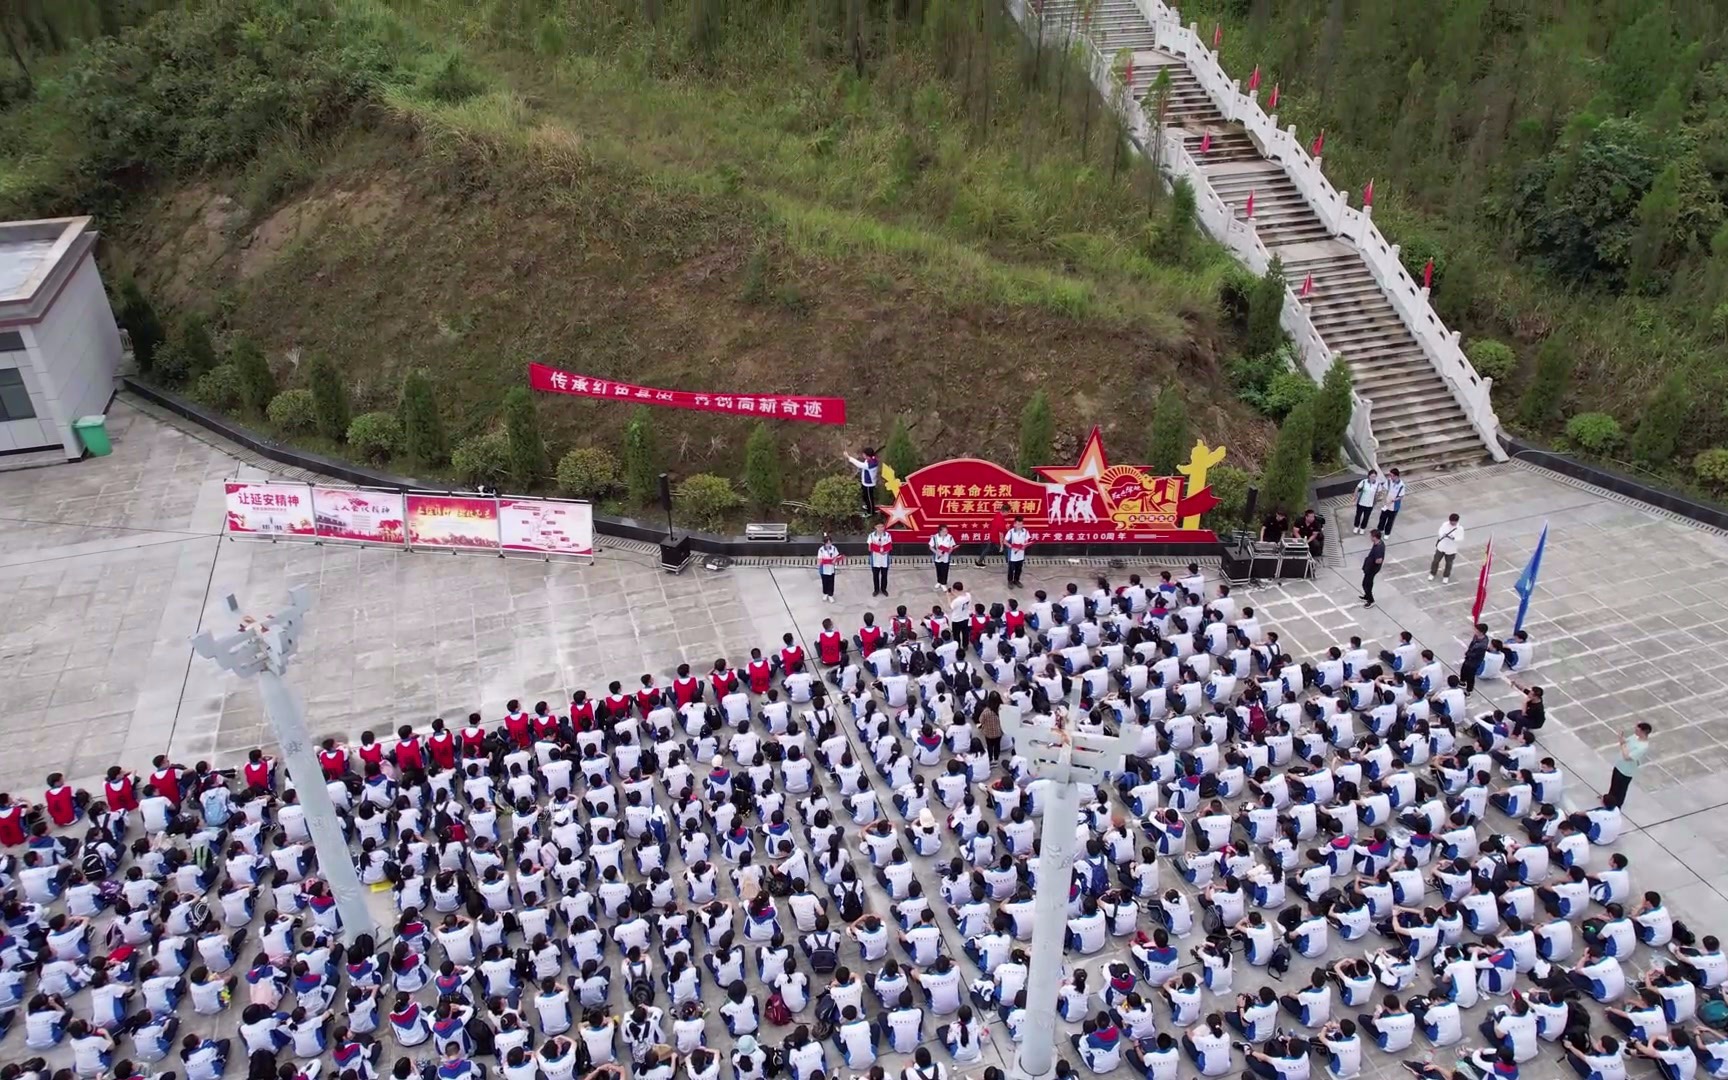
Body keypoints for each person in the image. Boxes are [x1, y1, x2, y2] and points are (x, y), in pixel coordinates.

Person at [1606, 723, 1652, 809]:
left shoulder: (1642, 747)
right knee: (1613, 785)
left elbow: (1627, 757)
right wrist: (1621, 738)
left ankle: (1616, 806)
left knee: (1621, 790)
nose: (1635, 731)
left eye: (1637, 730)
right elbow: (1624, 743)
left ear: (1643, 732)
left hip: (1627, 770)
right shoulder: (1635, 737)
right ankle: (1608, 800)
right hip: (1619, 765)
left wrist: (1623, 745)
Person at [847, 448, 881, 516]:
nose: (863, 455)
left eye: (864, 454)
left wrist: (848, 457)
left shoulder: (871, 464)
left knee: (869, 498)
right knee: (865, 496)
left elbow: (859, 464)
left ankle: (870, 512)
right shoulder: (870, 459)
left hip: (869, 484)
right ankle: (868, 506)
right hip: (865, 482)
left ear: (868, 456)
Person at [1430, 514, 1463, 583]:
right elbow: (1440, 531)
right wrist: (1442, 535)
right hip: (1442, 546)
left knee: (1449, 563)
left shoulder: (1459, 528)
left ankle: (1446, 576)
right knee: (1436, 560)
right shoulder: (1445, 524)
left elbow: (1460, 538)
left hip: (1451, 549)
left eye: (1453, 522)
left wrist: (1453, 538)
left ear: (1456, 521)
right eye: (1451, 521)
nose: (1452, 523)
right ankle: (1432, 573)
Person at [975, 503, 1008, 568]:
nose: (1009, 513)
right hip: (997, 539)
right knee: (1005, 551)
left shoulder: (997, 515)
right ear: (1006, 511)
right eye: (1009, 512)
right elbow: (1001, 534)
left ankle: (979, 562)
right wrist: (1001, 545)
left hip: (992, 536)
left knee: (987, 549)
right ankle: (1010, 564)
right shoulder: (1001, 521)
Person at [1461, 623, 1489, 696]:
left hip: (1474, 662)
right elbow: (1471, 644)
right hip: (1469, 657)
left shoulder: (1483, 644)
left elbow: (1476, 655)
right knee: (1464, 669)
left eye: (1476, 630)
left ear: (1481, 632)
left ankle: (1468, 690)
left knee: (1470, 675)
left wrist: (1468, 654)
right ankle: (1462, 681)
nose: (1474, 631)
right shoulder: (1476, 636)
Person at [1004, 517, 1031, 588]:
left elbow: (1026, 541)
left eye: (1021, 525)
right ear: (1014, 524)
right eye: (1018, 524)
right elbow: (1005, 541)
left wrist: (1025, 545)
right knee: (1011, 569)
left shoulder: (1025, 532)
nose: (1019, 526)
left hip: (1021, 554)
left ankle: (1016, 580)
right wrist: (1011, 547)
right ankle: (1010, 581)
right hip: (1013, 555)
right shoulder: (1010, 532)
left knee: (1019, 569)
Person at [866, 524, 892, 598]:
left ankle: (883, 589)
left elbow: (889, 545)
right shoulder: (871, 536)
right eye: (878, 527)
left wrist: (885, 551)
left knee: (884, 575)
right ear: (875, 527)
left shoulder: (888, 535)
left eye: (882, 527)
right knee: (875, 575)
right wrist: (876, 549)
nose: (880, 528)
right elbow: (869, 547)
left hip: (884, 559)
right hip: (875, 559)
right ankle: (876, 590)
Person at [1361, 530, 1385, 609]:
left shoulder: (1379, 548)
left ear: (1374, 537)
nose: (1370, 537)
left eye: (1371, 536)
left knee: (1366, 584)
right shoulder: (1378, 543)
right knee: (1366, 583)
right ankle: (1367, 595)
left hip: (1372, 569)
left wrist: (1372, 562)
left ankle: (1371, 600)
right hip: (1370, 567)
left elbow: (1379, 560)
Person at [1377, 469, 1405, 536]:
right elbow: (1384, 489)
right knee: (1382, 518)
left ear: (1396, 476)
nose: (1390, 477)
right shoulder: (1389, 481)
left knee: (1390, 521)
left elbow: (1401, 496)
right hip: (1386, 504)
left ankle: (1387, 533)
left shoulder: (1401, 485)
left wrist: (1395, 500)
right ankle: (1380, 529)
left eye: (1391, 476)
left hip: (1394, 506)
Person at [929, 527, 956, 591]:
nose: (946, 532)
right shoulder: (935, 537)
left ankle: (943, 583)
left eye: (946, 531)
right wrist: (937, 552)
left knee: (945, 570)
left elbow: (952, 546)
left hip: (946, 557)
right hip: (938, 557)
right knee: (938, 569)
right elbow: (931, 547)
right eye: (944, 531)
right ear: (940, 531)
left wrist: (950, 550)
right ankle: (939, 581)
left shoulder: (950, 537)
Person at [817, 535, 841, 604]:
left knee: (831, 582)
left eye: (830, 543)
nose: (829, 544)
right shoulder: (821, 550)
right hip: (824, 569)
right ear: (824, 543)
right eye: (827, 543)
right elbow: (819, 559)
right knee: (825, 582)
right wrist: (821, 561)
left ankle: (830, 595)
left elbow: (836, 556)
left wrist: (834, 560)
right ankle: (825, 593)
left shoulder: (833, 548)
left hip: (831, 569)